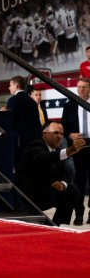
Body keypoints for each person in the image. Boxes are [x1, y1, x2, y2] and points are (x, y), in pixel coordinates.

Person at [14, 121, 87, 226]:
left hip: (46, 192)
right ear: (45, 134)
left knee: (72, 191)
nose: (59, 136)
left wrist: (62, 184)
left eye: (61, 134)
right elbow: (45, 157)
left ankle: (56, 225)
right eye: (56, 133)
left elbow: (65, 173)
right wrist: (70, 150)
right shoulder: (35, 145)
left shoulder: (57, 150)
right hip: (28, 195)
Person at [61, 77, 90, 225]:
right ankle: (79, 213)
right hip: (78, 145)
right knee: (79, 180)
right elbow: (63, 126)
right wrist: (70, 134)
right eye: (79, 87)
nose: (81, 90)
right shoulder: (69, 106)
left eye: (84, 87)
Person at [7, 75, 43, 165]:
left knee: (19, 167)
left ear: (17, 86)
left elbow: (11, 121)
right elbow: (37, 124)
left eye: (10, 85)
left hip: (18, 143)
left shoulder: (12, 101)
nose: (9, 88)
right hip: (32, 142)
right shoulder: (32, 102)